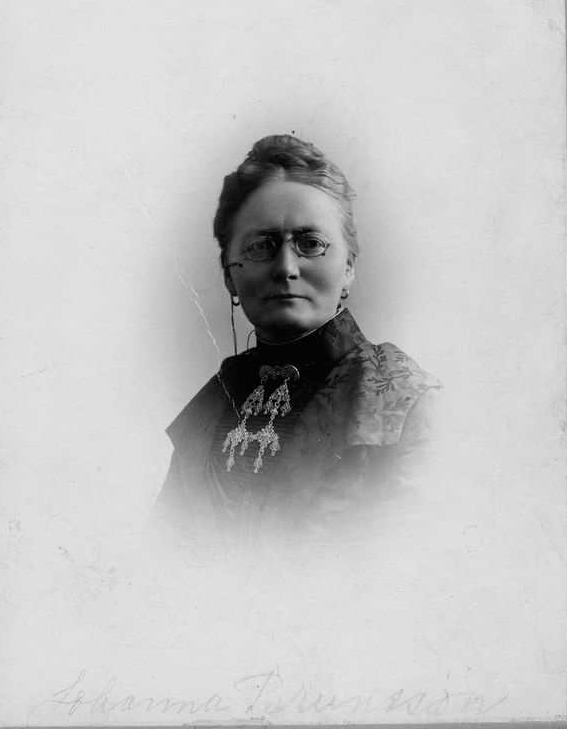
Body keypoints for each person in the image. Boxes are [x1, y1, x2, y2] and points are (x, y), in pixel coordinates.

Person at [155, 135, 441, 552]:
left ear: (348, 269)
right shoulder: (218, 399)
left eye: (310, 244)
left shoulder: (403, 399)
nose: (286, 267)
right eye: (261, 246)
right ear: (229, 275)